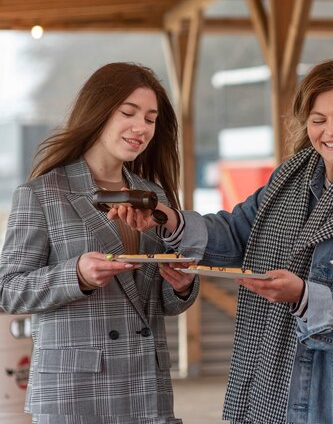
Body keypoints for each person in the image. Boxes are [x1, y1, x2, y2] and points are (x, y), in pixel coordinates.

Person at [113, 57, 333, 424]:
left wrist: (305, 297)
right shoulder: (288, 181)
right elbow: (235, 233)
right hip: (267, 402)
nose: (332, 132)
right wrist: (169, 219)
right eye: (318, 120)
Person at [0, 62, 198, 424]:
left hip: (146, 388)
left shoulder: (153, 196)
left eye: (151, 119)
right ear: (98, 112)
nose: (141, 128)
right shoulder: (42, 193)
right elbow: (8, 290)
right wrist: (76, 275)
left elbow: (159, 304)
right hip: (75, 392)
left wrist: (182, 286)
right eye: (129, 112)